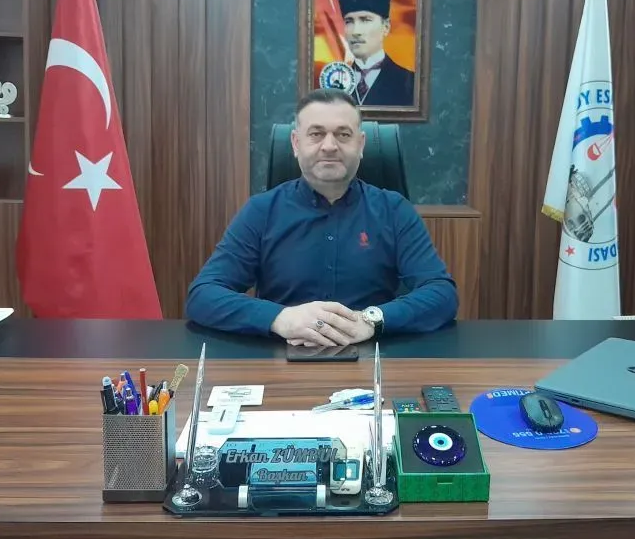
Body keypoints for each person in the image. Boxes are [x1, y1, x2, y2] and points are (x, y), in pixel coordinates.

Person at [185, 89, 457, 346]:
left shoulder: (394, 210)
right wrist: (280, 318)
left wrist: (371, 320)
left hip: (372, 357)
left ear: (361, 144)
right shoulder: (261, 211)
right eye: (316, 134)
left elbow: (442, 294)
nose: (329, 146)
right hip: (278, 359)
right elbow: (203, 295)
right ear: (296, 143)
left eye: (343, 134)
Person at [336, 0, 414, 107]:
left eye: (365, 20)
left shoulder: (410, 83)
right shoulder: (335, 83)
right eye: (349, 21)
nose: (356, 31)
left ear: (386, 27)